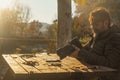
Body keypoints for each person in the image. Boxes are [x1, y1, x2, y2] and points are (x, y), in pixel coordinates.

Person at [70, 7, 120, 80]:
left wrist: (81, 53)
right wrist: (74, 47)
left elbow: (111, 63)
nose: (93, 27)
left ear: (105, 23)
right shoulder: (97, 36)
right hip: (94, 75)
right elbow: (85, 50)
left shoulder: (114, 38)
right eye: (92, 24)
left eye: (96, 24)